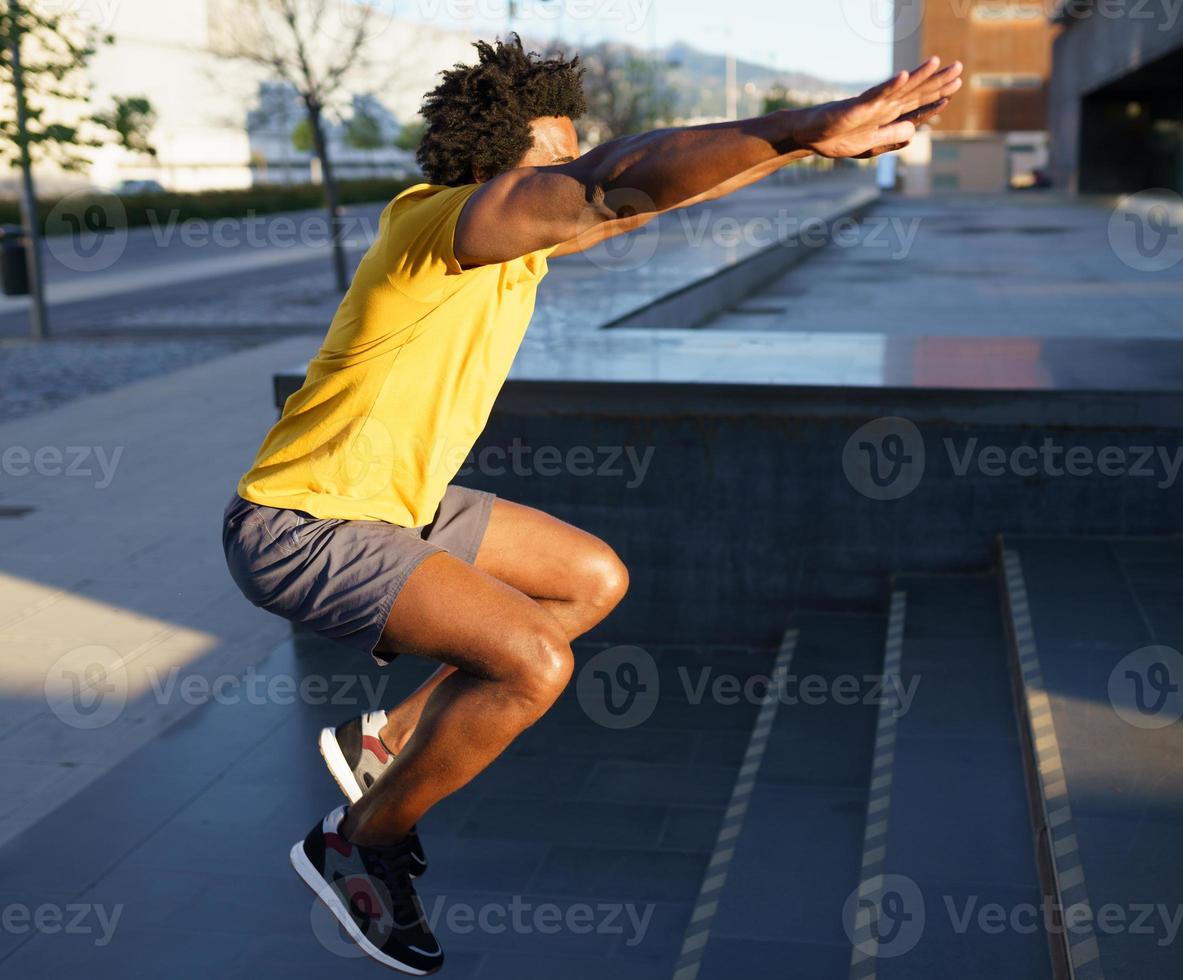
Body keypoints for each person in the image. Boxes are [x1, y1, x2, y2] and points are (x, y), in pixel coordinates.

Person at [221, 36, 962, 975]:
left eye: (576, 154)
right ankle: (356, 840)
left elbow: (644, 194)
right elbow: (611, 180)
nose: (572, 171)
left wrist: (801, 150)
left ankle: (388, 739)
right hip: (301, 525)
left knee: (588, 580)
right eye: (553, 161)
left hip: (392, 506)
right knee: (533, 664)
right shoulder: (435, 230)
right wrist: (799, 121)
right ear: (495, 173)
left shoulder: (511, 253)